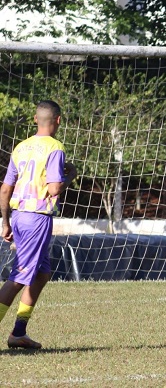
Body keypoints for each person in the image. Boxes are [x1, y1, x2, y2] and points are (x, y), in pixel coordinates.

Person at [0, 100, 77, 349]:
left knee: (41, 274)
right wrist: (70, 176)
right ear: (58, 120)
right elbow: (54, 188)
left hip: (19, 216)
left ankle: (18, 333)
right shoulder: (55, 147)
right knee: (20, 277)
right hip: (37, 218)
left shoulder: (20, 148)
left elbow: (4, 190)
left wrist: (6, 222)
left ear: (35, 120)